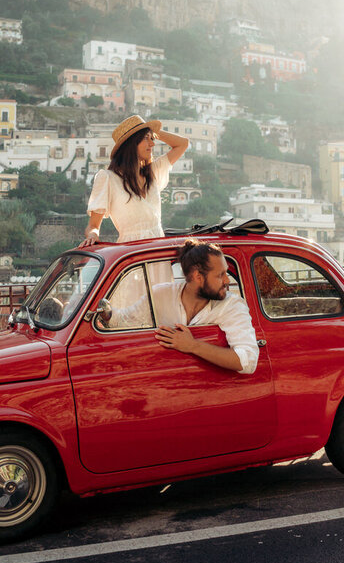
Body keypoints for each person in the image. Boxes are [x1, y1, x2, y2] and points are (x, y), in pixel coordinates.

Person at [107, 239, 260, 375]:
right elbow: (124, 319)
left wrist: (193, 345)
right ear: (197, 277)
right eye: (220, 275)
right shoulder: (161, 294)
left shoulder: (232, 305)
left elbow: (248, 362)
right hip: (168, 383)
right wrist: (105, 313)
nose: (227, 280)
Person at [81, 114, 189, 246]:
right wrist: (93, 235)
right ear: (131, 143)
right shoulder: (108, 178)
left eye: (152, 138)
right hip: (132, 253)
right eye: (146, 139)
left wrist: (151, 130)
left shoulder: (153, 172)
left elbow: (183, 144)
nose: (152, 143)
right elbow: (93, 226)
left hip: (158, 250)